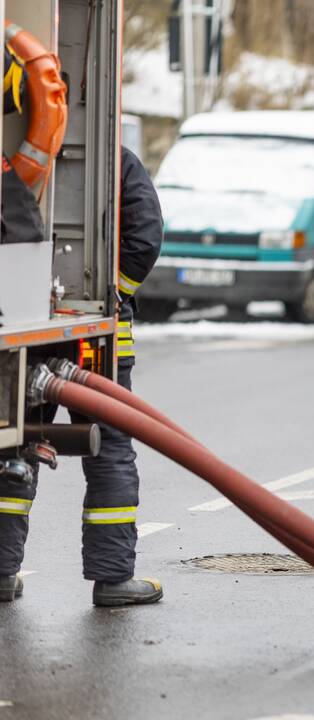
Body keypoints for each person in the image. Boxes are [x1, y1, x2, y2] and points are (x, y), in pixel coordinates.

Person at [0, 146, 164, 606]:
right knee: (108, 447)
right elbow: (146, 236)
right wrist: (113, 296)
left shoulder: (10, 155)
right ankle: (113, 579)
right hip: (98, 338)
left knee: (14, 443)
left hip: (22, 328)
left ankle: (0, 571)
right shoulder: (114, 158)